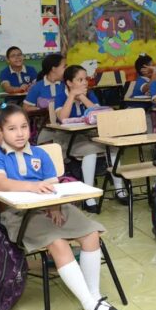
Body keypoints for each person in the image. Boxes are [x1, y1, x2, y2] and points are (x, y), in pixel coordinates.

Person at [0, 104, 123, 310]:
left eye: (24, 126)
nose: (20, 133)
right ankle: (89, 304)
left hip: (52, 207)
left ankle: (94, 296)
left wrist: (55, 207)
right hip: (19, 215)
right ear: (0, 132)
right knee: (58, 243)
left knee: (91, 234)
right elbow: (1, 183)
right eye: (12, 129)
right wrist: (32, 187)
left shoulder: (40, 153)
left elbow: (53, 185)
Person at [55, 65, 126, 211]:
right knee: (91, 151)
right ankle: (89, 195)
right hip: (69, 139)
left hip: (90, 136)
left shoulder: (90, 94)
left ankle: (119, 188)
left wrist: (82, 97)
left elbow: (99, 114)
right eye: (80, 80)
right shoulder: (61, 96)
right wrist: (71, 96)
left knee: (113, 148)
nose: (85, 83)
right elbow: (62, 118)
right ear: (69, 83)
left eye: (86, 79)